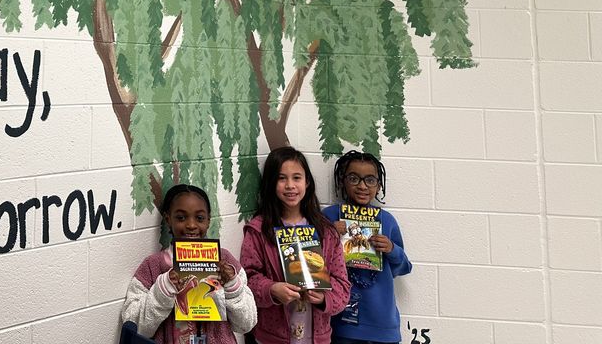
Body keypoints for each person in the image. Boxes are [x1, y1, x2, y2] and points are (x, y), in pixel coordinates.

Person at [122, 183, 257, 344]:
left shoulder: (225, 262)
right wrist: (163, 290)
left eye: (199, 218)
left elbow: (246, 324)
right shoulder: (153, 266)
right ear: (167, 219)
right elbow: (133, 324)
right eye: (181, 217)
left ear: (208, 220)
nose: (191, 225)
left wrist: (233, 287)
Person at [240, 147, 350, 344]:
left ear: (307, 182)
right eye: (282, 178)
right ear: (271, 183)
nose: (290, 185)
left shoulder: (326, 232)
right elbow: (248, 279)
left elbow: (342, 284)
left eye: (297, 178)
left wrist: (325, 298)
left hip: (317, 337)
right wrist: (272, 289)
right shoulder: (258, 230)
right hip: (272, 337)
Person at [321, 151, 412, 344]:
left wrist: (391, 249)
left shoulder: (386, 221)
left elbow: (403, 267)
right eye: (354, 178)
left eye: (370, 180)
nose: (362, 186)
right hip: (340, 322)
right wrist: (328, 236)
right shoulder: (329, 217)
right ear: (342, 181)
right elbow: (312, 264)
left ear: (379, 185)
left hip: (382, 324)